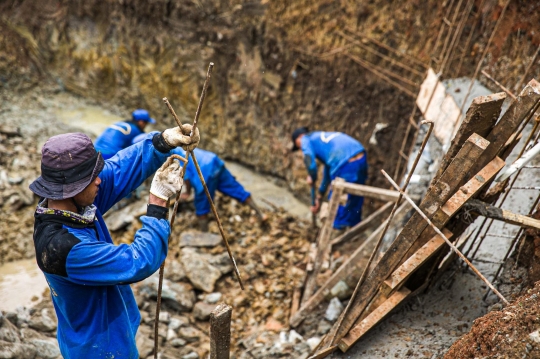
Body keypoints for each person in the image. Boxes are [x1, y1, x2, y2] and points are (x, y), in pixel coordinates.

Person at [29, 124, 199, 358]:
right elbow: (137, 262)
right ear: (72, 187)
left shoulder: (68, 204)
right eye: (92, 177)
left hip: (108, 332)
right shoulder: (64, 248)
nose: (99, 180)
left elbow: (118, 170)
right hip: (99, 348)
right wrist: (158, 202)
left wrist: (162, 142)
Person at [291, 127, 368, 229]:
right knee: (355, 196)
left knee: (337, 200)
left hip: (344, 162)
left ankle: (336, 232)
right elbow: (327, 174)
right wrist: (319, 197)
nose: (300, 149)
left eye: (298, 145)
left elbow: (310, 164)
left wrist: (312, 176)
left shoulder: (306, 139)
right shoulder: (322, 139)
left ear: (299, 137)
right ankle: (354, 229)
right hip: (360, 156)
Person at [176, 147, 268, 231]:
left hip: (205, 173)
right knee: (236, 189)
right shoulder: (181, 147)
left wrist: (187, 192)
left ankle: (204, 235)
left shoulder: (174, 156)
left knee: (201, 206)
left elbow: (186, 177)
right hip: (214, 162)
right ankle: (261, 214)